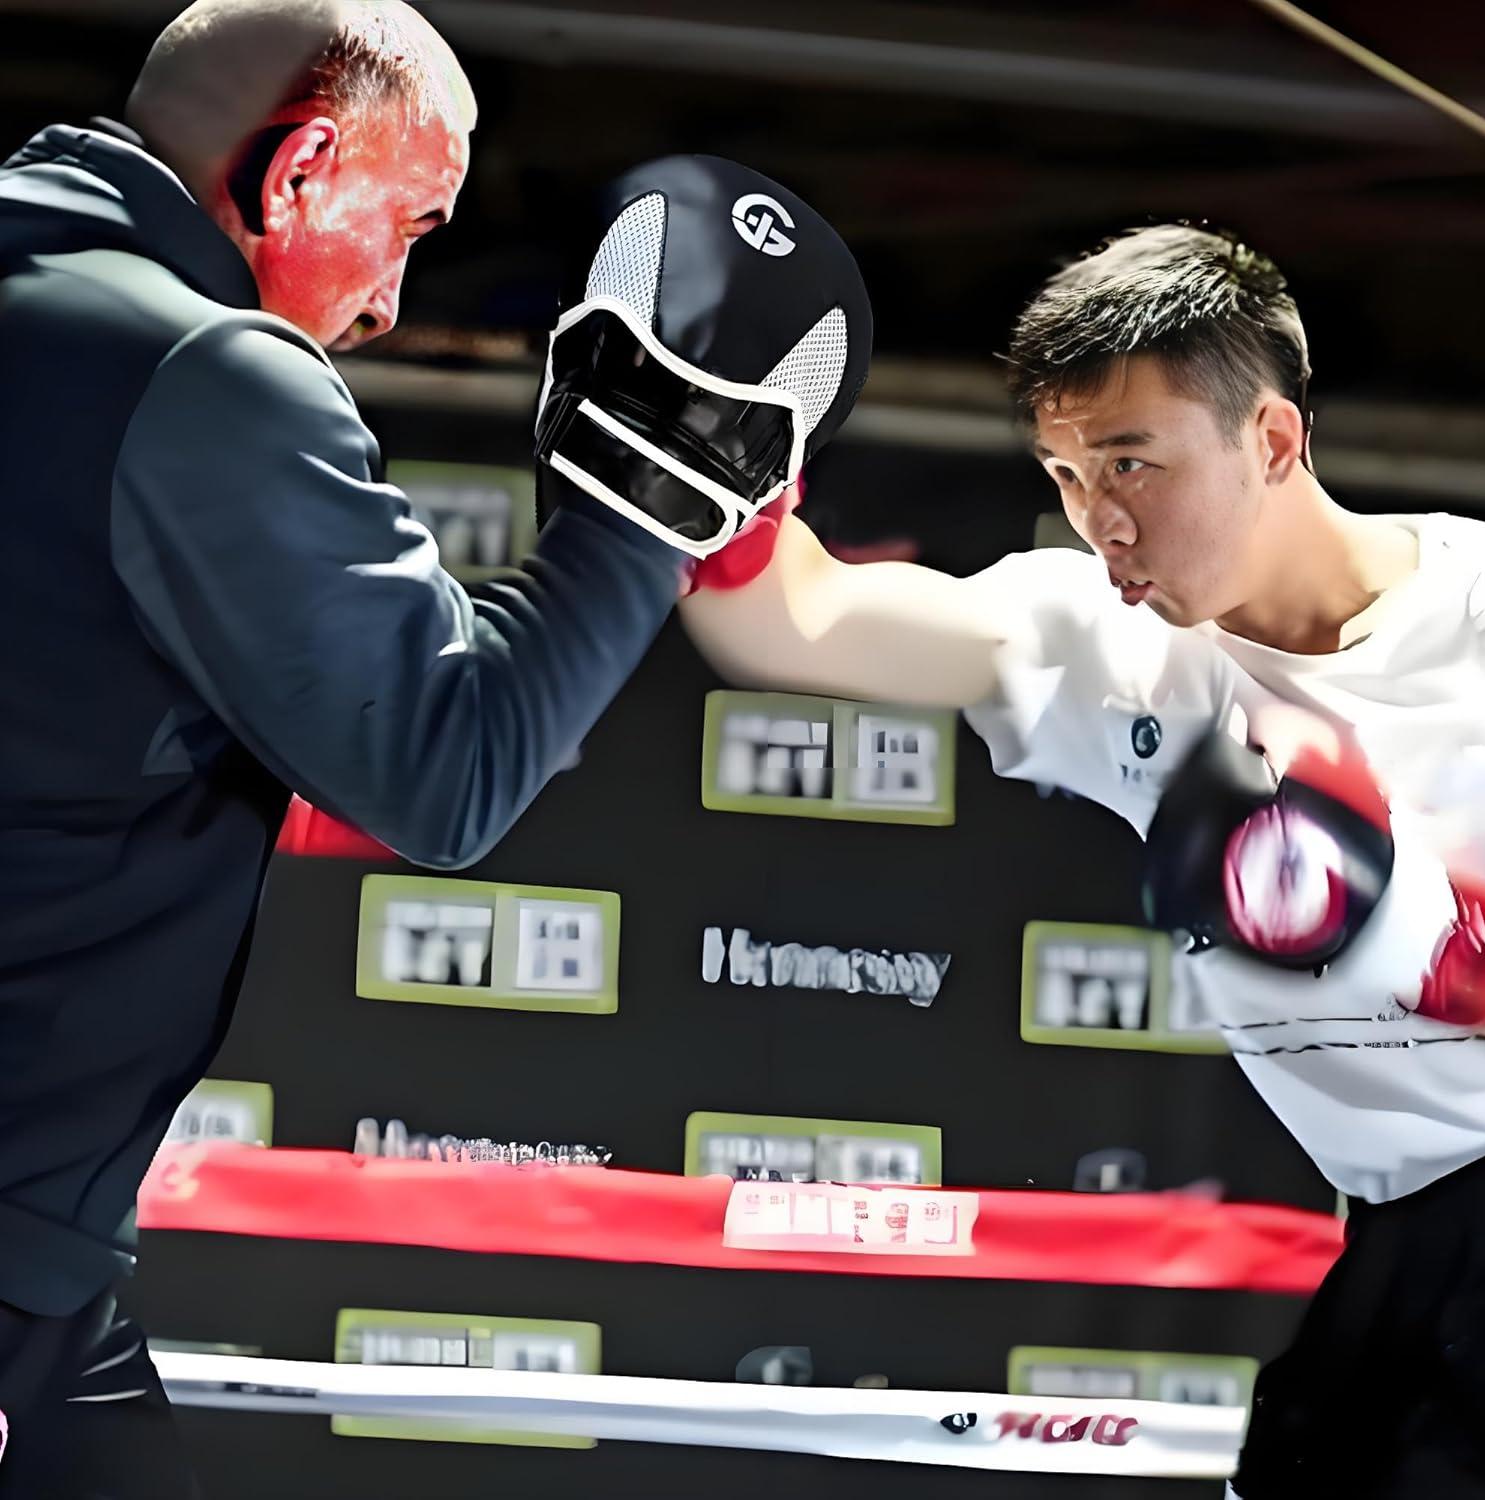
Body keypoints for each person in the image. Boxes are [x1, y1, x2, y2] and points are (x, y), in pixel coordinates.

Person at [0, 1, 871, 1491]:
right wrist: (651, 484)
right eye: (403, 224)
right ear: (298, 170)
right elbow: (447, 772)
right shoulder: (198, 371)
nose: (393, 300)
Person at [681, 222, 1485, 1496]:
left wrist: (1440, 948)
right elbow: (797, 620)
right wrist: (692, 431)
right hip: (1400, 1245)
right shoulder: (1112, 645)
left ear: (1272, 441)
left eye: (1133, 461)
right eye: (1067, 473)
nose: (1101, 518)